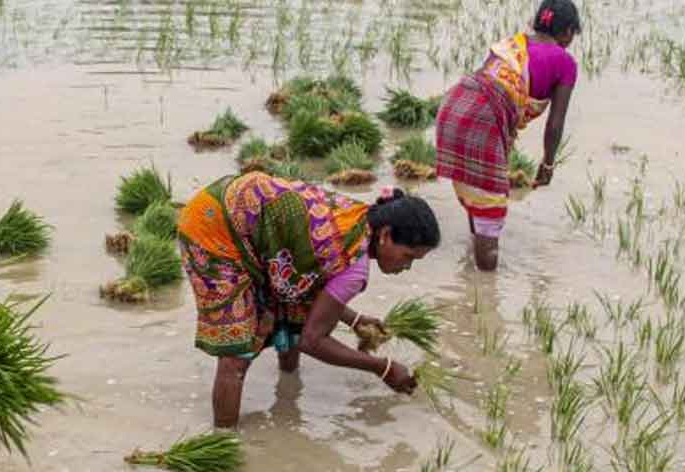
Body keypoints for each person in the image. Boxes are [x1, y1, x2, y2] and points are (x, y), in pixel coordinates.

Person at [177, 172, 441, 427]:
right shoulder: (354, 267)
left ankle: (287, 393)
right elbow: (312, 341)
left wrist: (354, 320)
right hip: (213, 230)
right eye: (408, 256)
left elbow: (315, 285)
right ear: (385, 236)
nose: (407, 267)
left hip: (236, 210)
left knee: (293, 309)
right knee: (236, 355)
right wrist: (382, 368)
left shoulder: (358, 218)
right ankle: (224, 440)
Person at [435, 0, 581, 271]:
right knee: (490, 213)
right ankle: (485, 300)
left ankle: (472, 279)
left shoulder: (511, 44)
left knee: (478, 199)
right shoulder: (565, 62)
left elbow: (491, 87)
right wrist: (548, 164)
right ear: (568, 32)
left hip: (453, 107)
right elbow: (555, 125)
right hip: (483, 121)